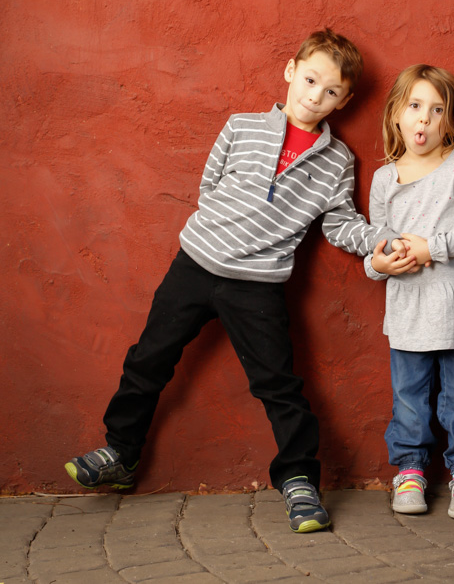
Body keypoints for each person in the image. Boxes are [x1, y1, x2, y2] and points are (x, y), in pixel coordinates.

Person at [65, 29, 407, 534]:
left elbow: (339, 224)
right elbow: (211, 186)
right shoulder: (240, 127)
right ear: (291, 71)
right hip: (195, 264)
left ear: (345, 100)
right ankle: (121, 452)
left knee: (278, 385)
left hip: (258, 285)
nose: (315, 96)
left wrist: (377, 241)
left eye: (331, 91)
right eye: (310, 80)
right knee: (148, 359)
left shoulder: (337, 162)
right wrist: (221, 233)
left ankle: (298, 480)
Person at [364, 64, 454, 522]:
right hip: (409, 305)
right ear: (396, 116)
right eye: (415, 106)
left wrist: (432, 247)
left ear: (449, 119)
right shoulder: (385, 179)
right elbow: (378, 240)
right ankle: (410, 469)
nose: (424, 118)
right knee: (409, 395)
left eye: (436, 109)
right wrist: (378, 265)